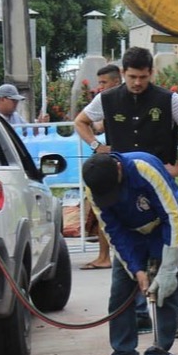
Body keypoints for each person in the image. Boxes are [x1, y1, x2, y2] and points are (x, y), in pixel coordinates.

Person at [75, 46, 178, 338]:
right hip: (120, 185)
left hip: (159, 186)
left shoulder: (170, 100)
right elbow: (80, 122)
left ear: (151, 73)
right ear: (123, 75)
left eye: (142, 76)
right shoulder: (107, 98)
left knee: (169, 257)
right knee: (129, 255)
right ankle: (139, 314)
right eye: (132, 77)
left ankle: (173, 316)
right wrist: (96, 147)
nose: (137, 82)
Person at [82, 151, 178, 355]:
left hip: (165, 229)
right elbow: (113, 231)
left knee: (164, 295)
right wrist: (136, 270)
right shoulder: (94, 188)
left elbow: (173, 217)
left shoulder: (145, 169)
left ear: (119, 170)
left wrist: (168, 267)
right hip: (130, 236)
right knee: (120, 295)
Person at [80, 64, 122, 270]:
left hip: (130, 161)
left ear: (116, 81)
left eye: (104, 82)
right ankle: (104, 256)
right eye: (99, 83)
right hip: (111, 162)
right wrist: (97, 146)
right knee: (104, 209)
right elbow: (85, 123)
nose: (100, 87)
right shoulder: (104, 99)